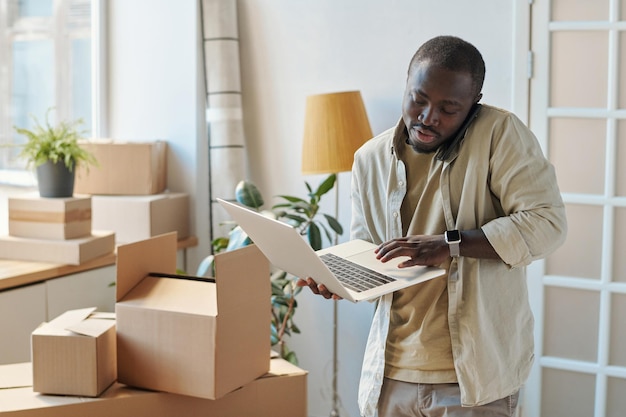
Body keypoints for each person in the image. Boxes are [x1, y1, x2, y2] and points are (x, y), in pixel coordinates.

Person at [297, 35, 567, 417]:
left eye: (448, 108)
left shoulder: (500, 135)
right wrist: (342, 283)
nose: (428, 117)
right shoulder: (369, 159)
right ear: (406, 83)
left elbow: (547, 222)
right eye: (418, 99)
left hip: (473, 380)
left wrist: (451, 244)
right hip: (390, 375)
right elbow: (370, 252)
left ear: (474, 104)